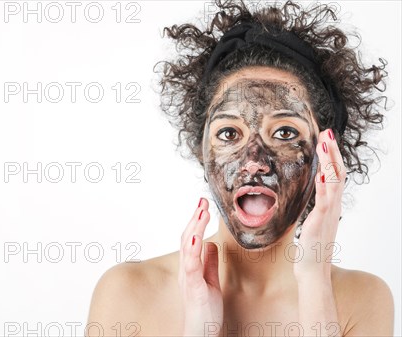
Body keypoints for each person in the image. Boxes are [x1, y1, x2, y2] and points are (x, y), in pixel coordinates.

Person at [86, 1, 394, 336]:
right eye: (229, 133)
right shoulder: (127, 295)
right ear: (202, 151)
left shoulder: (363, 299)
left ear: (324, 154)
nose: (254, 162)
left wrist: (314, 280)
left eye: (285, 133)